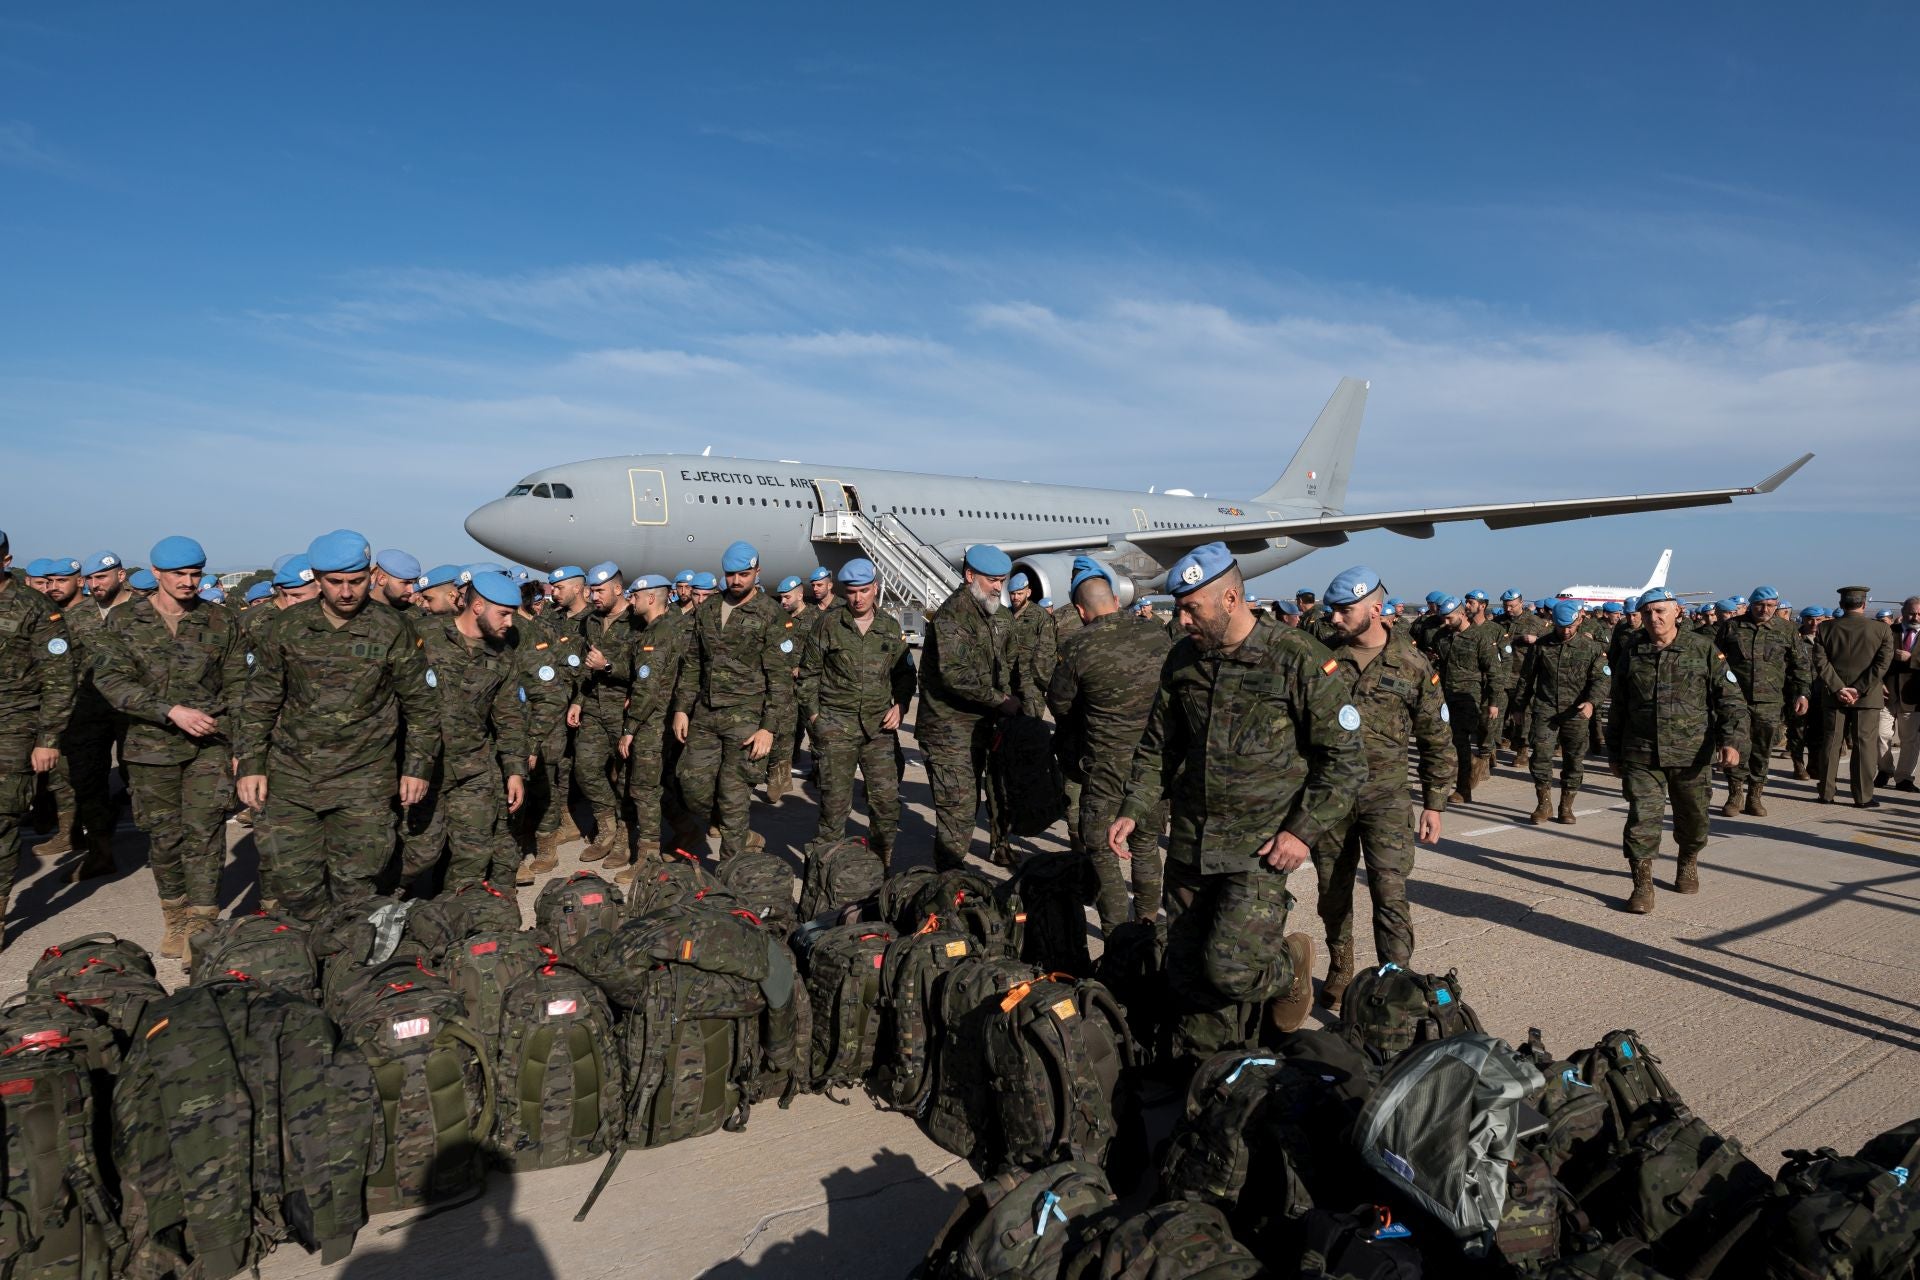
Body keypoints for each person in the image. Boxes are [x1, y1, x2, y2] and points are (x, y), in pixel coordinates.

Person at [1111, 543, 1364, 1060]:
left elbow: (1345, 760)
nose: (1179, 619)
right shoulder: (1183, 660)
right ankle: (1208, 1071)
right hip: (1191, 843)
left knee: (1230, 968)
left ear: (1230, 597)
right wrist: (1134, 807)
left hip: (1261, 847)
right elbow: (1159, 746)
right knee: (1184, 970)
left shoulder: (1297, 658)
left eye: (1190, 608)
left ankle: (1289, 970)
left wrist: (1303, 831)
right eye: (1176, 607)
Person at [235, 529, 440, 918]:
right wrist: (250, 765)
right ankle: (307, 961)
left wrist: (417, 767)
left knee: (357, 885)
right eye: (335, 582)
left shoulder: (391, 627)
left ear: (370, 574)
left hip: (363, 777)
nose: (346, 592)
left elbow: (422, 705)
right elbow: (259, 700)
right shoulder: (287, 627)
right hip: (293, 778)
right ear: (316, 577)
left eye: (357, 581)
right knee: (294, 884)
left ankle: (348, 966)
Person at [92, 535, 248, 957]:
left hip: (209, 746)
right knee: (165, 838)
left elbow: (239, 686)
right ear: (156, 573)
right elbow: (111, 682)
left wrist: (240, 745)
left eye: (196, 573)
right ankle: (175, 917)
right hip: (150, 747)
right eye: (179, 573)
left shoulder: (221, 621)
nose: (189, 581)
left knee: (206, 833)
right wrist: (169, 710)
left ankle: (201, 922)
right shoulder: (124, 621)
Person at [1307, 566, 1452, 1010]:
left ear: (1375, 609)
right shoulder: (1322, 660)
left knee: (1389, 890)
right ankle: (1341, 964)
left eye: (1344, 610)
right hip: (1331, 797)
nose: (1334, 618)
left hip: (1386, 797)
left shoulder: (1412, 665)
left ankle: (1395, 981)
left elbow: (1435, 737)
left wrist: (1435, 803)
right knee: (1333, 891)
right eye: (1332, 610)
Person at [1047, 555, 1172, 929]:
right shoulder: (1156, 634)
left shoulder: (1078, 646)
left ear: (1081, 610)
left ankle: (1118, 938)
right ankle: (1148, 925)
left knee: (1101, 850)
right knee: (1146, 847)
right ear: (1117, 601)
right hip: (1152, 765)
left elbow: (1060, 704)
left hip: (1105, 768)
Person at [1606, 588, 1747, 913]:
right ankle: (1642, 886)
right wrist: (1613, 752)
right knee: (1642, 819)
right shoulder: (1632, 651)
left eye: (1660, 611)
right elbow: (1619, 707)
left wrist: (1731, 741)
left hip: (1691, 755)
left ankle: (1688, 861)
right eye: (1647, 613)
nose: (1653, 618)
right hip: (1641, 754)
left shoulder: (1703, 650)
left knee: (1694, 819)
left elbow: (1731, 700)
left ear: (1677, 613)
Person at [405, 570, 527, 891]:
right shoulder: (422, 635)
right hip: (421, 768)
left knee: (473, 855)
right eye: (503, 614)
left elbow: (509, 717)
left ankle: (456, 920)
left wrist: (514, 771)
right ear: (477, 607)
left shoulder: (503, 657)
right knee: (418, 853)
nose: (509, 623)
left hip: (472, 769)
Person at [670, 541, 792, 860]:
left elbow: (779, 679)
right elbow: (694, 663)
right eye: (730, 575)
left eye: (744, 575)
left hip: (747, 718)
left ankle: (730, 870)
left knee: (733, 795)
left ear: (757, 572)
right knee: (691, 784)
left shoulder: (770, 613)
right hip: (706, 715)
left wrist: (768, 729)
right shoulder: (708, 609)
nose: (736, 581)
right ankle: (734, 828)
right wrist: (682, 709)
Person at [798, 558, 916, 866]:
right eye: (852, 592)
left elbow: (905, 674)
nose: (858, 598)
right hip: (836, 727)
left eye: (864, 590)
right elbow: (808, 674)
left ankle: (880, 867)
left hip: (879, 730)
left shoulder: (889, 626)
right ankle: (825, 873)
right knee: (834, 807)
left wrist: (900, 706)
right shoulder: (828, 624)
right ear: (844, 591)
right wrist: (815, 720)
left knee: (886, 805)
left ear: (875, 588)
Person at [918, 544, 1017, 870]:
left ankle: (951, 884)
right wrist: (1000, 700)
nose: (999, 588)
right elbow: (956, 676)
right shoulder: (954, 615)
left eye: (1002, 581)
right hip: (948, 734)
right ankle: (946, 889)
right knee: (957, 814)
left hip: (973, 731)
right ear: (970, 576)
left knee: (965, 808)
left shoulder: (983, 612)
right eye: (993, 580)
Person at [0, 529, 75, 947]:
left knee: (1, 820)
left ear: (6, 560)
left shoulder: (34, 607)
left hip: (12, 726)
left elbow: (59, 677)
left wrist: (48, 738)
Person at [1713, 585, 1807, 817]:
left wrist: (1802, 693)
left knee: (1762, 749)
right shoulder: (1731, 627)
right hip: (1736, 700)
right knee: (1735, 745)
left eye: (1770, 606)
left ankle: (1755, 795)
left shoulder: (1787, 630)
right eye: (1759, 605)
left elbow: (1800, 666)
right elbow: (1715, 661)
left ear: (1776, 606)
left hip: (1770, 702)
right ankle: (1735, 794)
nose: (1764, 609)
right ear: (1750, 605)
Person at [567, 561, 635, 863]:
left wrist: (609, 666)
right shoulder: (592, 621)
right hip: (594, 705)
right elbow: (586, 664)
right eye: (591, 590)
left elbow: (646, 669)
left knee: (624, 777)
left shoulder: (637, 621)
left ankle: (623, 837)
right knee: (585, 767)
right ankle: (606, 826)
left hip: (623, 708)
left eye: (599, 591)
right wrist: (579, 700)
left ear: (618, 589)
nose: (593, 596)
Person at [616, 574, 681, 873]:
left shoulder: (658, 633)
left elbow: (647, 687)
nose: (632, 601)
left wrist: (629, 729)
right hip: (658, 718)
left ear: (651, 598)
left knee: (644, 788)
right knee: (654, 785)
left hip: (651, 722)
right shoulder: (662, 628)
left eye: (636, 596)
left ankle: (648, 859)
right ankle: (686, 830)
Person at [1521, 600, 1607, 825]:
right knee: (1540, 756)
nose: (1566, 631)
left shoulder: (1592, 648)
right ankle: (1544, 803)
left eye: (1570, 626)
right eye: (1561, 627)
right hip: (1545, 709)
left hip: (1576, 712)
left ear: (1579, 620)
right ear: (1553, 623)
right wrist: (1519, 708)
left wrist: (1591, 702)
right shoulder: (1541, 646)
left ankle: (1566, 806)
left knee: (1574, 760)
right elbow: (1526, 679)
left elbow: (1601, 680)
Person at [1811, 586, 1896, 807]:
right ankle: (1863, 796)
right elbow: (1882, 664)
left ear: (1841, 605)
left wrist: (1839, 687)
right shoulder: (1881, 630)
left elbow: (1821, 662)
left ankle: (1826, 792)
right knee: (1864, 745)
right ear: (1864, 605)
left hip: (1834, 696)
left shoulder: (1825, 628)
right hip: (1867, 697)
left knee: (1831, 742)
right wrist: (1859, 688)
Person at [1430, 595, 1500, 803]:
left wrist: (1493, 702)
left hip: (1469, 698)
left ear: (1462, 614)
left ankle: (1463, 789)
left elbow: (1494, 672)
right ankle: (1472, 764)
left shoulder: (1480, 638)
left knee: (1459, 740)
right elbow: (1437, 664)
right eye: (1443, 618)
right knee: (1443, 741)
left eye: (1450, 618)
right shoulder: (1441, 636)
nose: (1445, 622)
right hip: (1444, 695)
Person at [767, 574, 811, 803]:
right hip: (781, 688)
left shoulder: (815, 619)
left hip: (806, 688)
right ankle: (778, 782)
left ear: (800, 594)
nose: (783, 601)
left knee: (810, 734)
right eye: (781, 597)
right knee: (783, 734)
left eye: (787, 597)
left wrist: (801, 669)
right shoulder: (779, 618)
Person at [1879, 597, 1920, 791]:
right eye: (1912, 613)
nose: (1916, 617)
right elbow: (1874, 659)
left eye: (1919, 614)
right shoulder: (1888, 632)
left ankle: (1904, 778)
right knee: (1880, 734)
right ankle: (1885, 769)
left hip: (1913, 696)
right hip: (1887, 693)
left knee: (1909, 739)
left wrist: (1912, 658)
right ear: (1903, 613)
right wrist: (1877, 682)